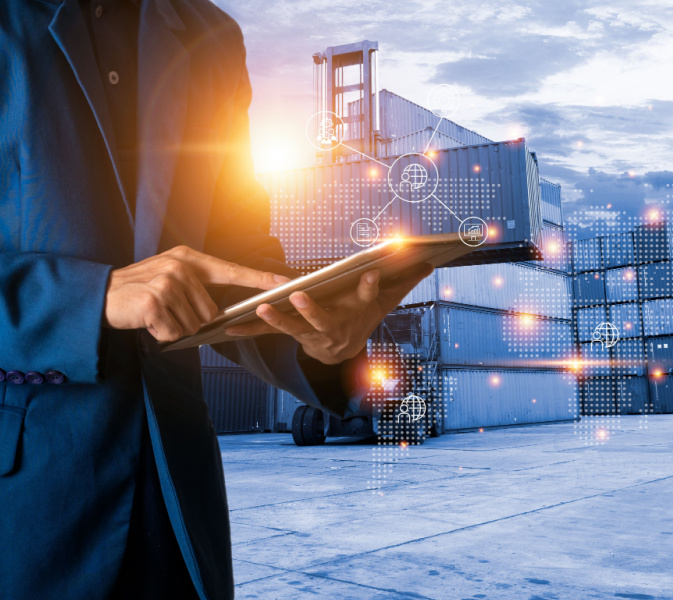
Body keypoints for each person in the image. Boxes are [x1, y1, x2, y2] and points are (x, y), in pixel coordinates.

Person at [0, 0, 431, 598]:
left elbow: (234, 253)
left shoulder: (212, 35)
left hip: (179, 506)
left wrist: (317, 335)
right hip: (26, 512)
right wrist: (91, 298)